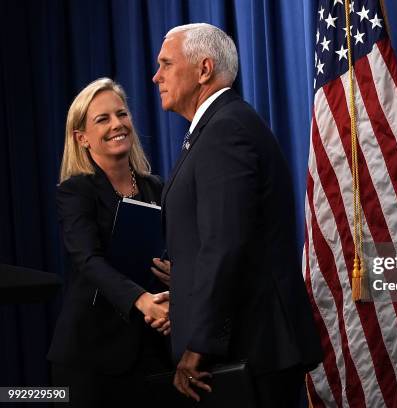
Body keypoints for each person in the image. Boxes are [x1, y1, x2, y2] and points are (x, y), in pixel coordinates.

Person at [153, 23, 323, 406]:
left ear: (204, 70)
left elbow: (226, 243)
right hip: (245, 344)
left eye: (166, 64)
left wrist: (199, 344)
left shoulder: (225, 130)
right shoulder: (217, 128)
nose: (156, 76)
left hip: (249, 348)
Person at [48, 78, 174, 407]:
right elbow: (88, 261)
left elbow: (169, 252)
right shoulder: (76, 191)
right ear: (82, 138)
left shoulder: (155, 187)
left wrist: (174, 276)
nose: (117, 124)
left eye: (121, 114)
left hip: (150, 350)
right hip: (89, 358)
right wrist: (143, 300)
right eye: (102, 119)